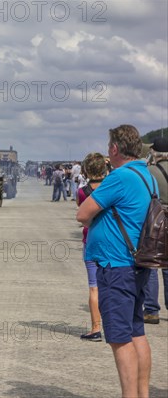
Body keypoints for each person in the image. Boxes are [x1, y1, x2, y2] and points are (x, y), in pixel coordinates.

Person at [76, 125, 155, 398]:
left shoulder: (119, 177)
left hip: (116, 265)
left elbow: (83, 214)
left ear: (114, 149)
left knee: (119, 339)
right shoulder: (146, 174)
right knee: (136, 333)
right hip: (137, 263)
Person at [76, 153, 107, 341]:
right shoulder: (113, 188)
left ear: (86, 170)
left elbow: (83, 214)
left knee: (94, 287)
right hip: (114, 243)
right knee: (113, 286)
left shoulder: (82, 192)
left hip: (91, 242)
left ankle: (96, 329)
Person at [142, 136, 168, 324]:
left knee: (152, 264)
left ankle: (151, 310)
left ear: (155, 153)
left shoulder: (149, 171)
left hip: (156, 220)